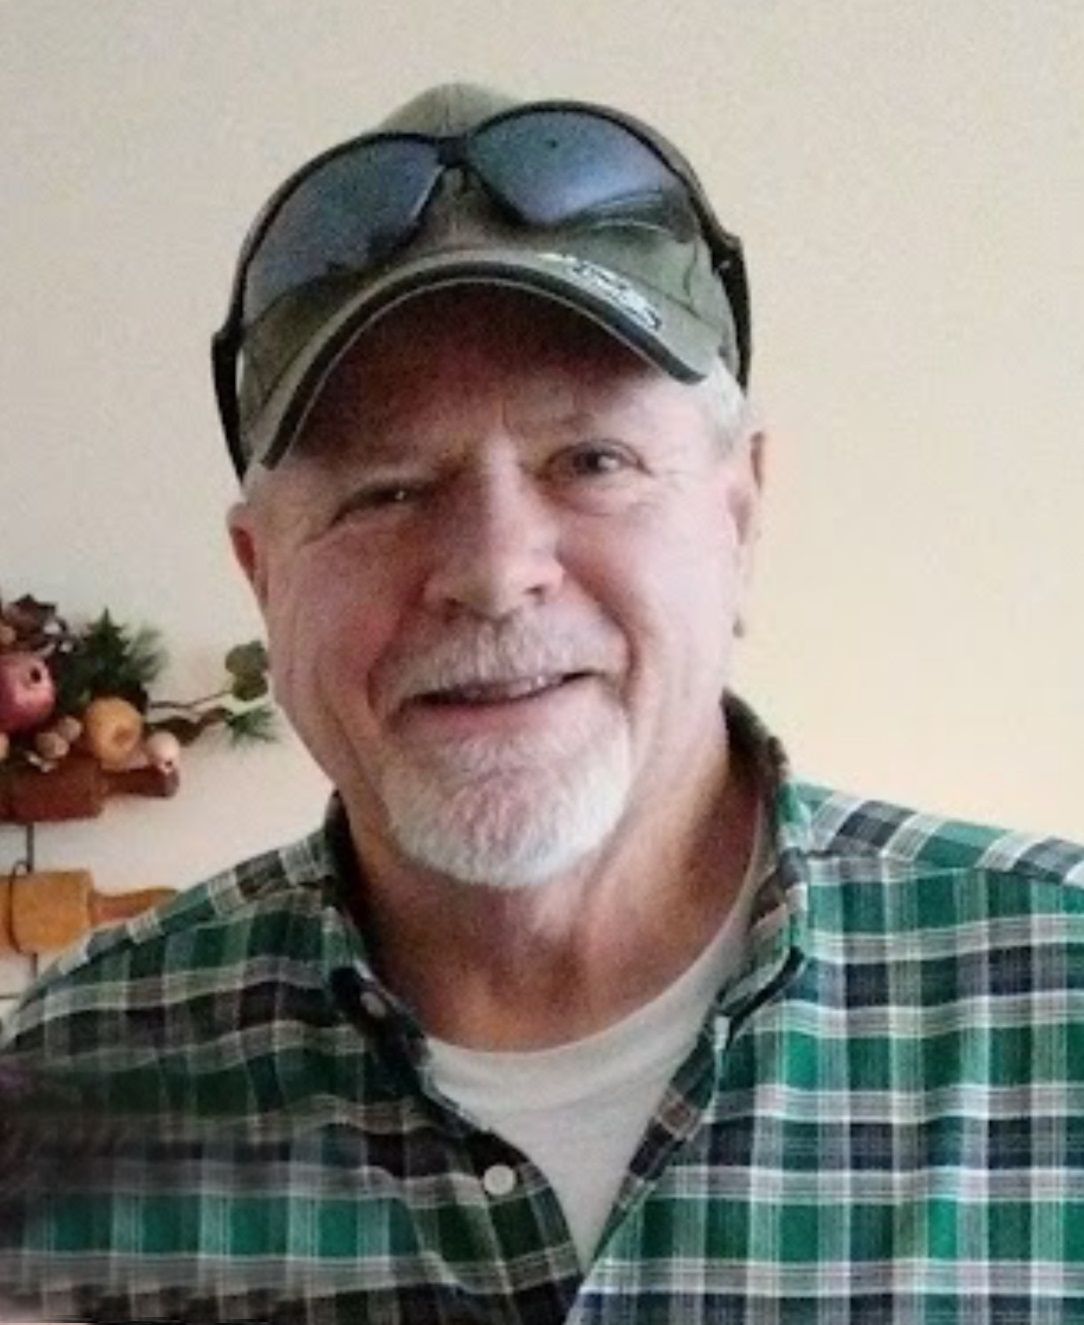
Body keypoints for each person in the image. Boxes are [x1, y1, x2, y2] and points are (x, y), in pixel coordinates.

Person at [2, 82, 1084, 1325]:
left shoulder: (1056, 994)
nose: (492, 568)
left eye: (592, 460)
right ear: (264, 576)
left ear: (737, 516)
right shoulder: (78, 1068)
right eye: (385, 490)